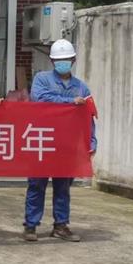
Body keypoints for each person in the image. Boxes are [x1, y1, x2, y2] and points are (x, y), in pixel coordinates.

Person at [23, 39, 96, 242]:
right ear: (52, 61)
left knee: (63, 187)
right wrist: (69, 101)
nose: (62, 63)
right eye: (58, 60)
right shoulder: (42, 79)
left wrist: (91, 142)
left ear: (73, 60)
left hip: (66, 145)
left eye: (66, 59)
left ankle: (61, 225)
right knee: (36, 185)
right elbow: (40, 99)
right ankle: (30, 225)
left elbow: (89, 116)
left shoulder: (81, 87)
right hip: (42, 141)